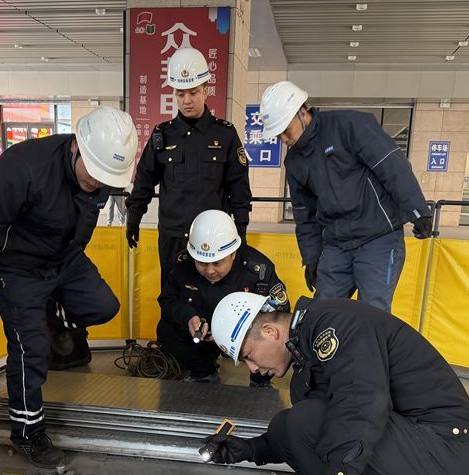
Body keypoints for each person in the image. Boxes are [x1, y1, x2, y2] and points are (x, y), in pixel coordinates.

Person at [203, 292, 469, 475]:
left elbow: (363, 406)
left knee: (308, 421)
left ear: (270, 331)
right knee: (294, 423)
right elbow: (306, 436)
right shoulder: (307, 353)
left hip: (442, 452)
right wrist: (250, 449)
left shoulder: (333, 324)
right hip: (422, 447)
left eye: (248, 356)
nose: (253, 369)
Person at [0, 106, 137, 469]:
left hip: (64, 259)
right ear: (76, 147)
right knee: (30, 349)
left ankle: (48, 316)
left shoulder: (99, 177)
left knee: (104, 306)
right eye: (94, 173)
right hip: (16, 268)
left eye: (106, 178)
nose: (98, 183)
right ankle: (27, 432)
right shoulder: (25, 169)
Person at [259, 81, 434, 309]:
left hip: (378, 238)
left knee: (371, 311)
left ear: (302, 112)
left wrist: (418, 210)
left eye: (285, 130)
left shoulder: (350, 125)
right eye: (277, 135)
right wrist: (311, 258)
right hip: (336, 245)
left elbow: (390, 164)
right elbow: (305, 216)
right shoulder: (294, 162)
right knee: (323, 311)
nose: (283, 139)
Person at [126, 46, 252, 290]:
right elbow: (144, 179)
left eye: (193, 93)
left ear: (206, 90)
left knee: (212, 297)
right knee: (172, 297)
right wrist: (134, 215)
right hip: (173, 237)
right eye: (180, 93)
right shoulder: (163, 135)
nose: (187, 100)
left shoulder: (225, 135)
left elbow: (238, 185)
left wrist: (241, 227)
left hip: (213, 239)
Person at [157, 209, 289, 386]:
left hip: (243, 337)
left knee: (268, 338)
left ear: (233, 254)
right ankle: (203, 372)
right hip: (203, 334)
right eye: (202, 263)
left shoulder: (259, 271)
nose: (210, 271)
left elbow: (280, 315)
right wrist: (188, 317)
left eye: (217, 263)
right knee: (167, 330)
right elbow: (168, 299)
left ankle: (260, 381)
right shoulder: (183, 265)